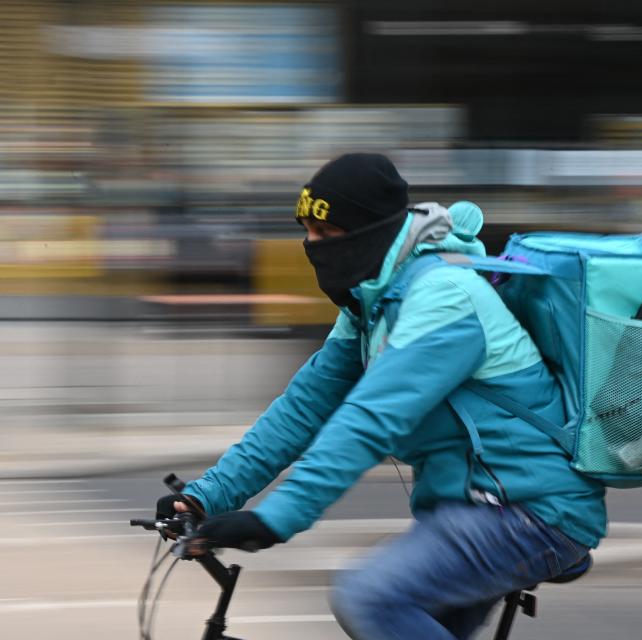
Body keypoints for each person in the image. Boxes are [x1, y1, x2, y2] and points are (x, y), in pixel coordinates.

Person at [155, 153, 607, 639]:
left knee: (367, 597)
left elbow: (369, 420)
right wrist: (207, 497)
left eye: (326, 233)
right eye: (306, 230)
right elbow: (302, 410)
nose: (311, 245)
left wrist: (275, 519)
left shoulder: (445, 296)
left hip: (528, 512)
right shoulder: (370, 304)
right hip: (463, 514)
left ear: (372, 232)